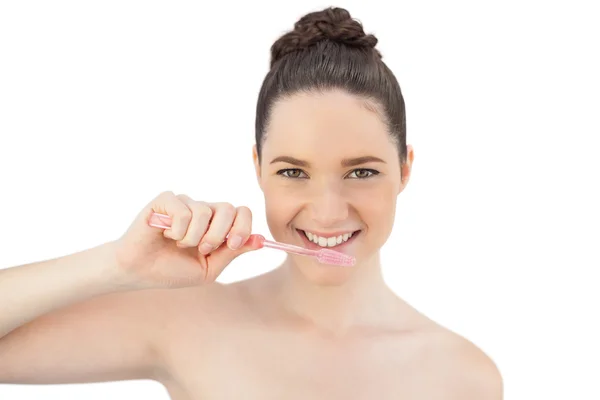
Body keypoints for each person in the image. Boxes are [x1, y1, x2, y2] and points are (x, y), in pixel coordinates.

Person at [0, 7, 502, 399]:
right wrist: (117, 263)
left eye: (362, 172)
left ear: (405, 169)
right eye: (293, 172)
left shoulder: (466, 377)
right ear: (258, 168)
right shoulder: (186, 322)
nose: (327, 211)